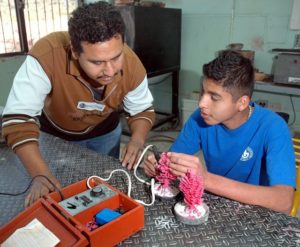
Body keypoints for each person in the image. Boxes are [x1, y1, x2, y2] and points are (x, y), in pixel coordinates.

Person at [2, 1, 155, 207]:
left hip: (106, 133)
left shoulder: (131, 63)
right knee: (59, 191)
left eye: (116, 57)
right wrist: (41, 175)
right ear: (75, 52)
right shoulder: (47, 55)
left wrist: (137, 139)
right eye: (97, 62)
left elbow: (142, 110)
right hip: (57, 137)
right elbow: (18, 122)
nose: (109, 71)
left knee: (103, 189)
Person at [144, 50, 296, 214]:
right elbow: (174, 161)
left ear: (242, 103)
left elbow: (284, 201)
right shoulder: (200, 119)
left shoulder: (273, 128)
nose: (202, 103)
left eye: (214, 97)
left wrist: (206, 179)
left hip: (256, 214)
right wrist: (161, 166)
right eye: (203, 92)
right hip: (215, 206)